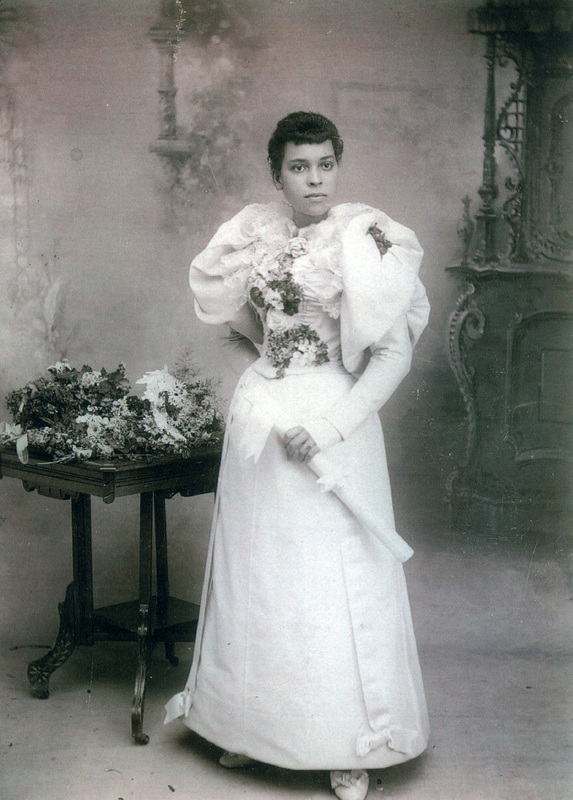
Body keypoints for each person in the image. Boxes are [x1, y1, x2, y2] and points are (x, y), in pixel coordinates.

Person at [165, 111, 430, 800]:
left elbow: (392, 353)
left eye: (323, 164)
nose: (313, 179)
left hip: (334, 428)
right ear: (276, 174)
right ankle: (249, 731)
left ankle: (347, 746)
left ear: (336, 166)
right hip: (268, 422)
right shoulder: (253, 236)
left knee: (329, 583)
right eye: (298, 167)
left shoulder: (366, 237)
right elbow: (233, 332)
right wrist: (260, 386)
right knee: (261, 578)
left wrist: (333, 425)